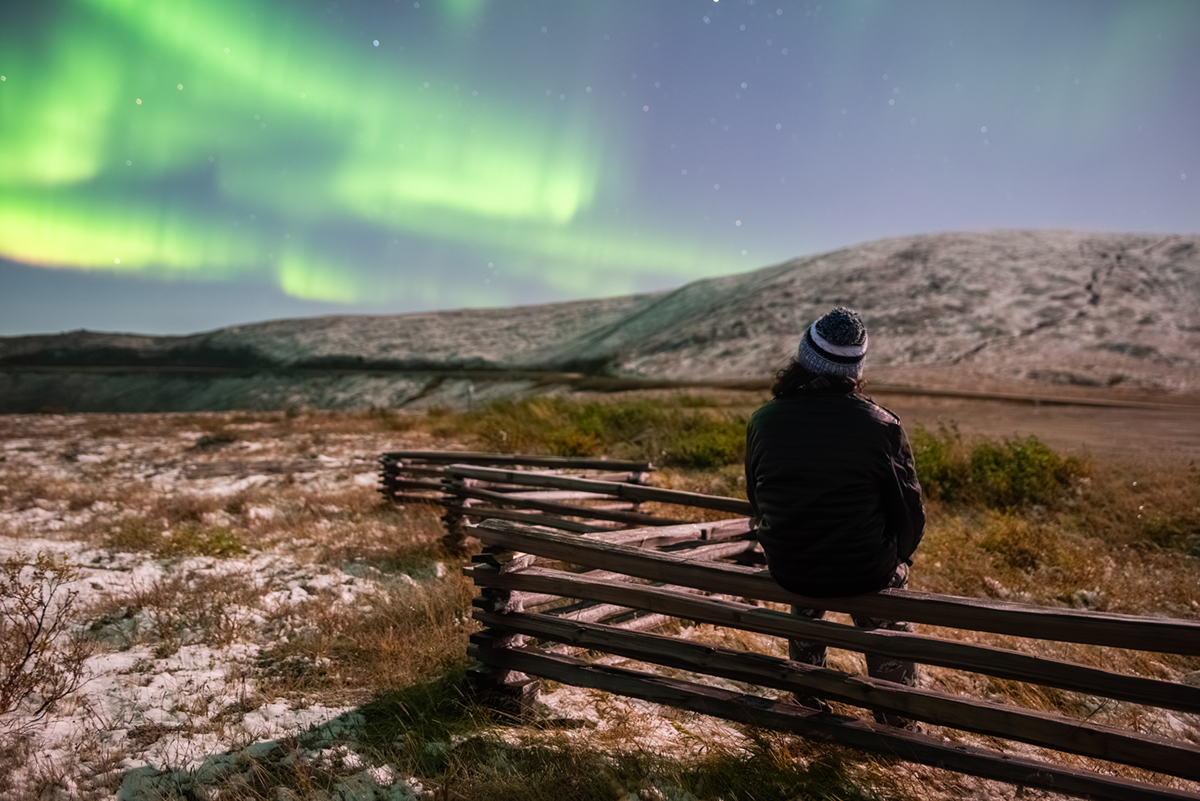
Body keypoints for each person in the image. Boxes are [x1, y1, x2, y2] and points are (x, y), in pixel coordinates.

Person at [744, 307, 924, 728]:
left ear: (804, 356)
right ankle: (897, 721)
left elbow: (757, 496)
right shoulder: (881, 425)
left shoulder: (764, 420)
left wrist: (787, 539)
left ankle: (808, 701)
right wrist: (896, 557)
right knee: (889, 620)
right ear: (856, 368)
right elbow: (909, 514)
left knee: (806, 595)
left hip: (791, 565)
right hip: (866, 567)